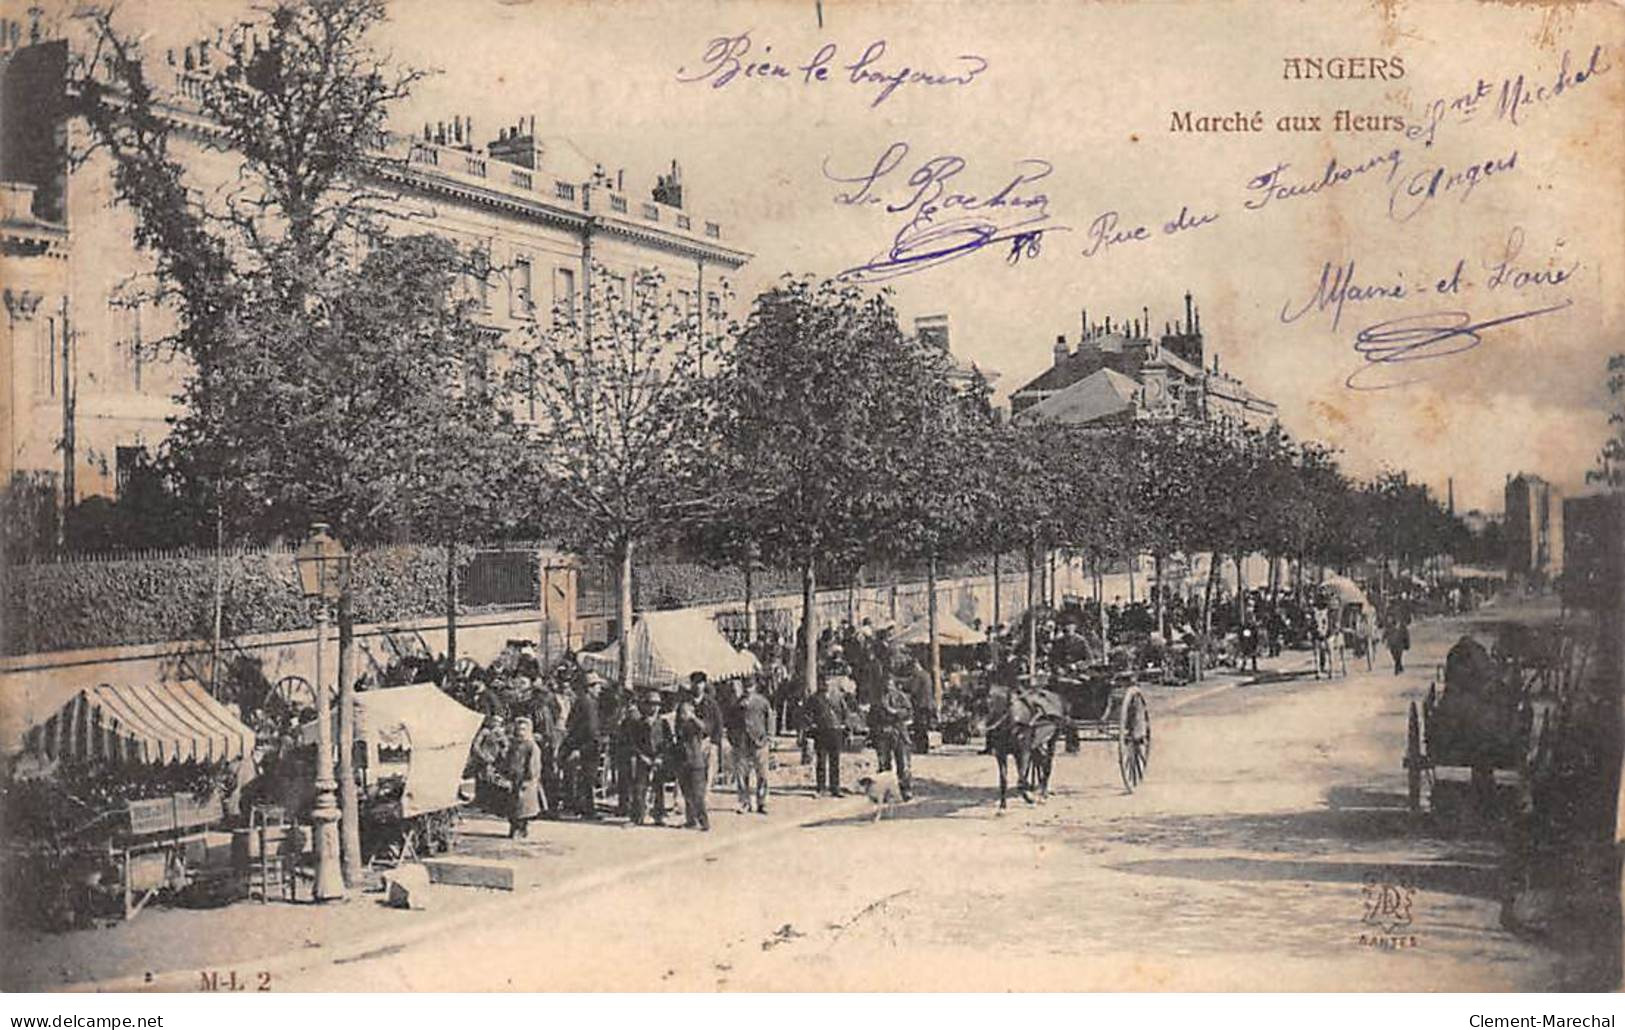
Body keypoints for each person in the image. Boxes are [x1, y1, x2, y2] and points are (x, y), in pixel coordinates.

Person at [624, 689, 669, 826]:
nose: (653, 708)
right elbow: (633, 742)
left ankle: (659, 815)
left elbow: (667, 743)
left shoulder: (663, 723)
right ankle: (637, 816)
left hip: (658, 759)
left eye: (656, 705)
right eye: (650, 704)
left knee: (658, 788)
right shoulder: (639, 723)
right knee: (639, 787)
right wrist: (642, 756)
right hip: (643, 758)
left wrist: (660, 757)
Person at [730, 678, 773, 814]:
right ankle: (744, 802)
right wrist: (733, 739)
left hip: (759, 741)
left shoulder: (762, 702)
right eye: (746, 686)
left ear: (755, 687)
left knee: (762, 774)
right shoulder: (736, 704)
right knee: (742, 775)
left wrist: (769, 737)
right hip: (742, 742)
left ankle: (762, 802)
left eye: (751, 686)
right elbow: (730, 723)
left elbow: (770, 719)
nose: (748, 689)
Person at [868, 673, 914, 801]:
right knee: (883, 764)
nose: (888, 688)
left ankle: (905, 789)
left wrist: (896, 712)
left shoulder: (900, 697)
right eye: (886, 685)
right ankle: (884, 792)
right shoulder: (878, 699)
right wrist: (875, 730)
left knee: (903, 763)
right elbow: (871, 718)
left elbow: (909, 711)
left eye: (890, 685)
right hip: (883, 734)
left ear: (894, 685)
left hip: (898, 732)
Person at [563, 675, 603, 820]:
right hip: (588, 745)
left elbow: (570, 724)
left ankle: (582, 807)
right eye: (597, 686)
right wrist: (579, 748)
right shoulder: (588, 704)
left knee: (585, 778)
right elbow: (590, 729)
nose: (600, 690)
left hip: (582, 744)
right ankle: (587, 809)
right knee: (588, 778)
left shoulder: (582, 702)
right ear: (590, 687)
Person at [674, 683, 711, 830]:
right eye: (681, 712)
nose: (683, 714)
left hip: (696, 761)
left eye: (685, 712)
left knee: (698, 794)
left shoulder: (694, 724)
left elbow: (705, 728)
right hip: (682, 760)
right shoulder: (679, 724)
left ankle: (704, 821)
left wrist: (693, 717)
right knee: (687, 792)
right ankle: (691, 820)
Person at [807, 675, 847, 797]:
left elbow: (844, 711)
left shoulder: (838, 697)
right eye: (824, 682)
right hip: (821, 732)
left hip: (835, 731)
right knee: (821, 761)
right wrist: (812, 725)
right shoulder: (814, 698)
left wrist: (843, 725)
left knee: (835, 761)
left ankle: (835, 788)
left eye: (829, 682)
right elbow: (807, 713)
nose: (826, 685)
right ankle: (821, 788)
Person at [505, 717, 543, 839]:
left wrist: (530, 779)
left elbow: (534, 764)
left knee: (523, 807)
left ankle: (521, 828)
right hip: (513, 778)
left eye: (523, 729)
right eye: (518, 729)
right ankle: (514, 826)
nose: (520, 732)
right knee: (512, 806)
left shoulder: (531, 746)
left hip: (525, 780)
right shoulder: (514, 745)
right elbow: (508, 760)